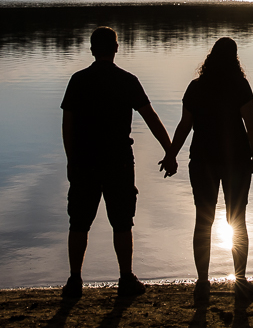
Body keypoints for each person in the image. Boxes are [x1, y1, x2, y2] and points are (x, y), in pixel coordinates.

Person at [59, 26, 173, 300]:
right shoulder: (127, 80)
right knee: (122, 222)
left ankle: (75, 281)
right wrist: (169, 150)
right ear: (116, 48)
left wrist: (70, 159)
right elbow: (151, 117)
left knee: (79, 222)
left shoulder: (78, 80)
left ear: (91, 49)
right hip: (118, 162)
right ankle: (125, 279)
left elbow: (67, 124)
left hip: (85, 161)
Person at [162, 37, 253, 305]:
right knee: (237, 220)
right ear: (234, 58)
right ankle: (240, 281)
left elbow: (184, 126)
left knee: (203, 221)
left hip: (203, 160)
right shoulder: (240, 85)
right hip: (237, 161)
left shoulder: (196, 87)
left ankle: (202, 284)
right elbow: (250, 122)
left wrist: (171, 154)